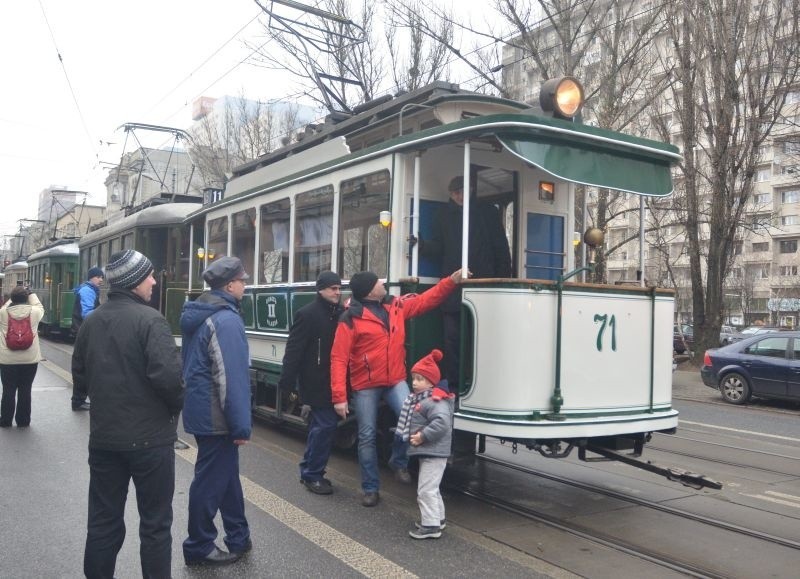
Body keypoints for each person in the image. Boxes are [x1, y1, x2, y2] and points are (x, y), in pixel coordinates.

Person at [71, 250, 184, 578]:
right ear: (135, 281)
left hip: (105, 440)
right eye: (149, 276)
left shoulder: (91, 322)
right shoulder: (151, 321)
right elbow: (169, 380)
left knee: (103, 524)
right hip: (151, 443)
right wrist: (173, 409)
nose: (153, 281)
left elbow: (80, 376)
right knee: (155, 527)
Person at [330, 268, 464, 507]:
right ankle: (370, 488)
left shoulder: (395, 307)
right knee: (367, 435)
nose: (383, 283)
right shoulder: (350, 318)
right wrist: (340, 397)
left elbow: (425, 301)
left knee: (412, 416)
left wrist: (450, 281)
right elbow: (339, 359)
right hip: (366, 386)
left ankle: (398, 461)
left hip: (394, 380)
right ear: (370, 291)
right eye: (378, 282)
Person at [181, 256, 253, 567]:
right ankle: (199, 545)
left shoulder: (203, 313)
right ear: (229, 285)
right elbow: (232, 378)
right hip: (216, 415)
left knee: (225, 477)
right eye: (242, 280)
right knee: (210, 481)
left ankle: (239, 536)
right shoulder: (226, 320)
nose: (246, 285)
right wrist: (240, 426)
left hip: (203, 409)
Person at [416, 175, 512, 388]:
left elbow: (500, 247)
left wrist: (503, 279)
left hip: (484, 285)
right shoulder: (443, 215)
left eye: (463, 191)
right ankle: (455, 385)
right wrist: (423, 246)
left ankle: (483, 383)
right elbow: (441, 247)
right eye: (456, 192)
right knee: (452, 340)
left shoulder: (487, 213)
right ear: (451, 194)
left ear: (471, 190)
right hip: (453, 286)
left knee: (481, 337)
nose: (460, 196)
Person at [278, 271, 344, 495]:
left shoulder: (341, 313)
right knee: (325, 427)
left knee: (321, 427)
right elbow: (294, 350)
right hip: (314, 381)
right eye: (333, 288)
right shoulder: (307, 314)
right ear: (321, 290)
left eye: (339, 288)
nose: (337, 292)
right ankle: (312, 475)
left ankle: (309, 469)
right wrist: (286, 383)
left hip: (334, 380)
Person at [396, 348, 455, 539]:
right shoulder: (423, 399)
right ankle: (438, 519)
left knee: (425, 489)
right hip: (432, 451)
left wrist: (422, 436)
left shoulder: (434, 401)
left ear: (431, 382)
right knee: (432, 487)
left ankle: (430, 526)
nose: (414, 383)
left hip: (434, 451)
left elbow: (442, 423)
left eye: (420, 379)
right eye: (413, 378)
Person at [0, 287, 45, 428]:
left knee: (8, 389)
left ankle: (6, 420)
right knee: (25, 389)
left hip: (7, 359)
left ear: (12, 299)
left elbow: (5, 306)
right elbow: (39, 306)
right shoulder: (35, 312)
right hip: (29, 359)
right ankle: (23, 420)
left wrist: (10, 301)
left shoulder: (3, 313)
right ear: (26, 298)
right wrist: (32, 294)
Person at [71, 266, 103, 411]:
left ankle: (80, 399)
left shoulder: (87, 289)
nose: (101, 280)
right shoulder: (88, 291)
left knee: (83, 367)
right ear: (92, 277)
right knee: (83, 368)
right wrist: (103, 314)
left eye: (102, 277)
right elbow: (87, 313)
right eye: (98, 277)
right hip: (84, 332)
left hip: (82, 331)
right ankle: (79, 400)